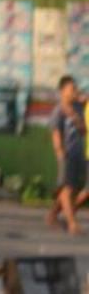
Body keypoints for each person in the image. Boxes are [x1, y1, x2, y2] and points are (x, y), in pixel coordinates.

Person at [50, 75, 87, 234]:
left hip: (80, 153)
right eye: (72, 89)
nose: (74, 92)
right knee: (67, 188)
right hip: (67, 153)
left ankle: (53, 215)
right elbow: (56, 132)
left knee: (73, 188)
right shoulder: (58, 111)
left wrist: (76, 117)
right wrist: (60, 152)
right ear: (62, 91)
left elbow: (84, 131)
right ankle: (72, 223)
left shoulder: (78, 108)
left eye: (75, 89)